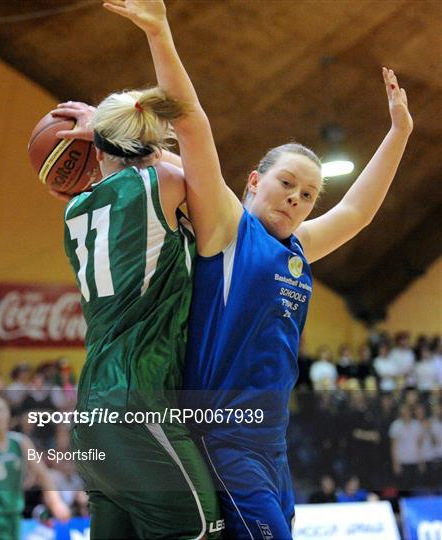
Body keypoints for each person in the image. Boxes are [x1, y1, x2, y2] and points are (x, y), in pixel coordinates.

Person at [103, 1, 413, 538]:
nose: (298, 198)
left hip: (273, 443)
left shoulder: (298, 249)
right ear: (252, 181)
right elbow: (192, 124)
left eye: (310, 195)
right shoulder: (226, 227)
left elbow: (358, 213)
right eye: (287, 183)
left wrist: (399, 133)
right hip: (221, 439)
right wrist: (160, 30)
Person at [52, 90, 222, 536]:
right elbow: (216, 186)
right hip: (138, 407)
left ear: (98, 148)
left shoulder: (73, 209)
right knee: (201, 529)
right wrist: (114, 135)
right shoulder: (161, 182)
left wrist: (106, 136)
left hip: (92, 413)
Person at [0, 396, 70, 540]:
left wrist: (56, 502)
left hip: (15, 512)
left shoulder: (21, 442)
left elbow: (42, 473)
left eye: (0, 410)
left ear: (8, 414)